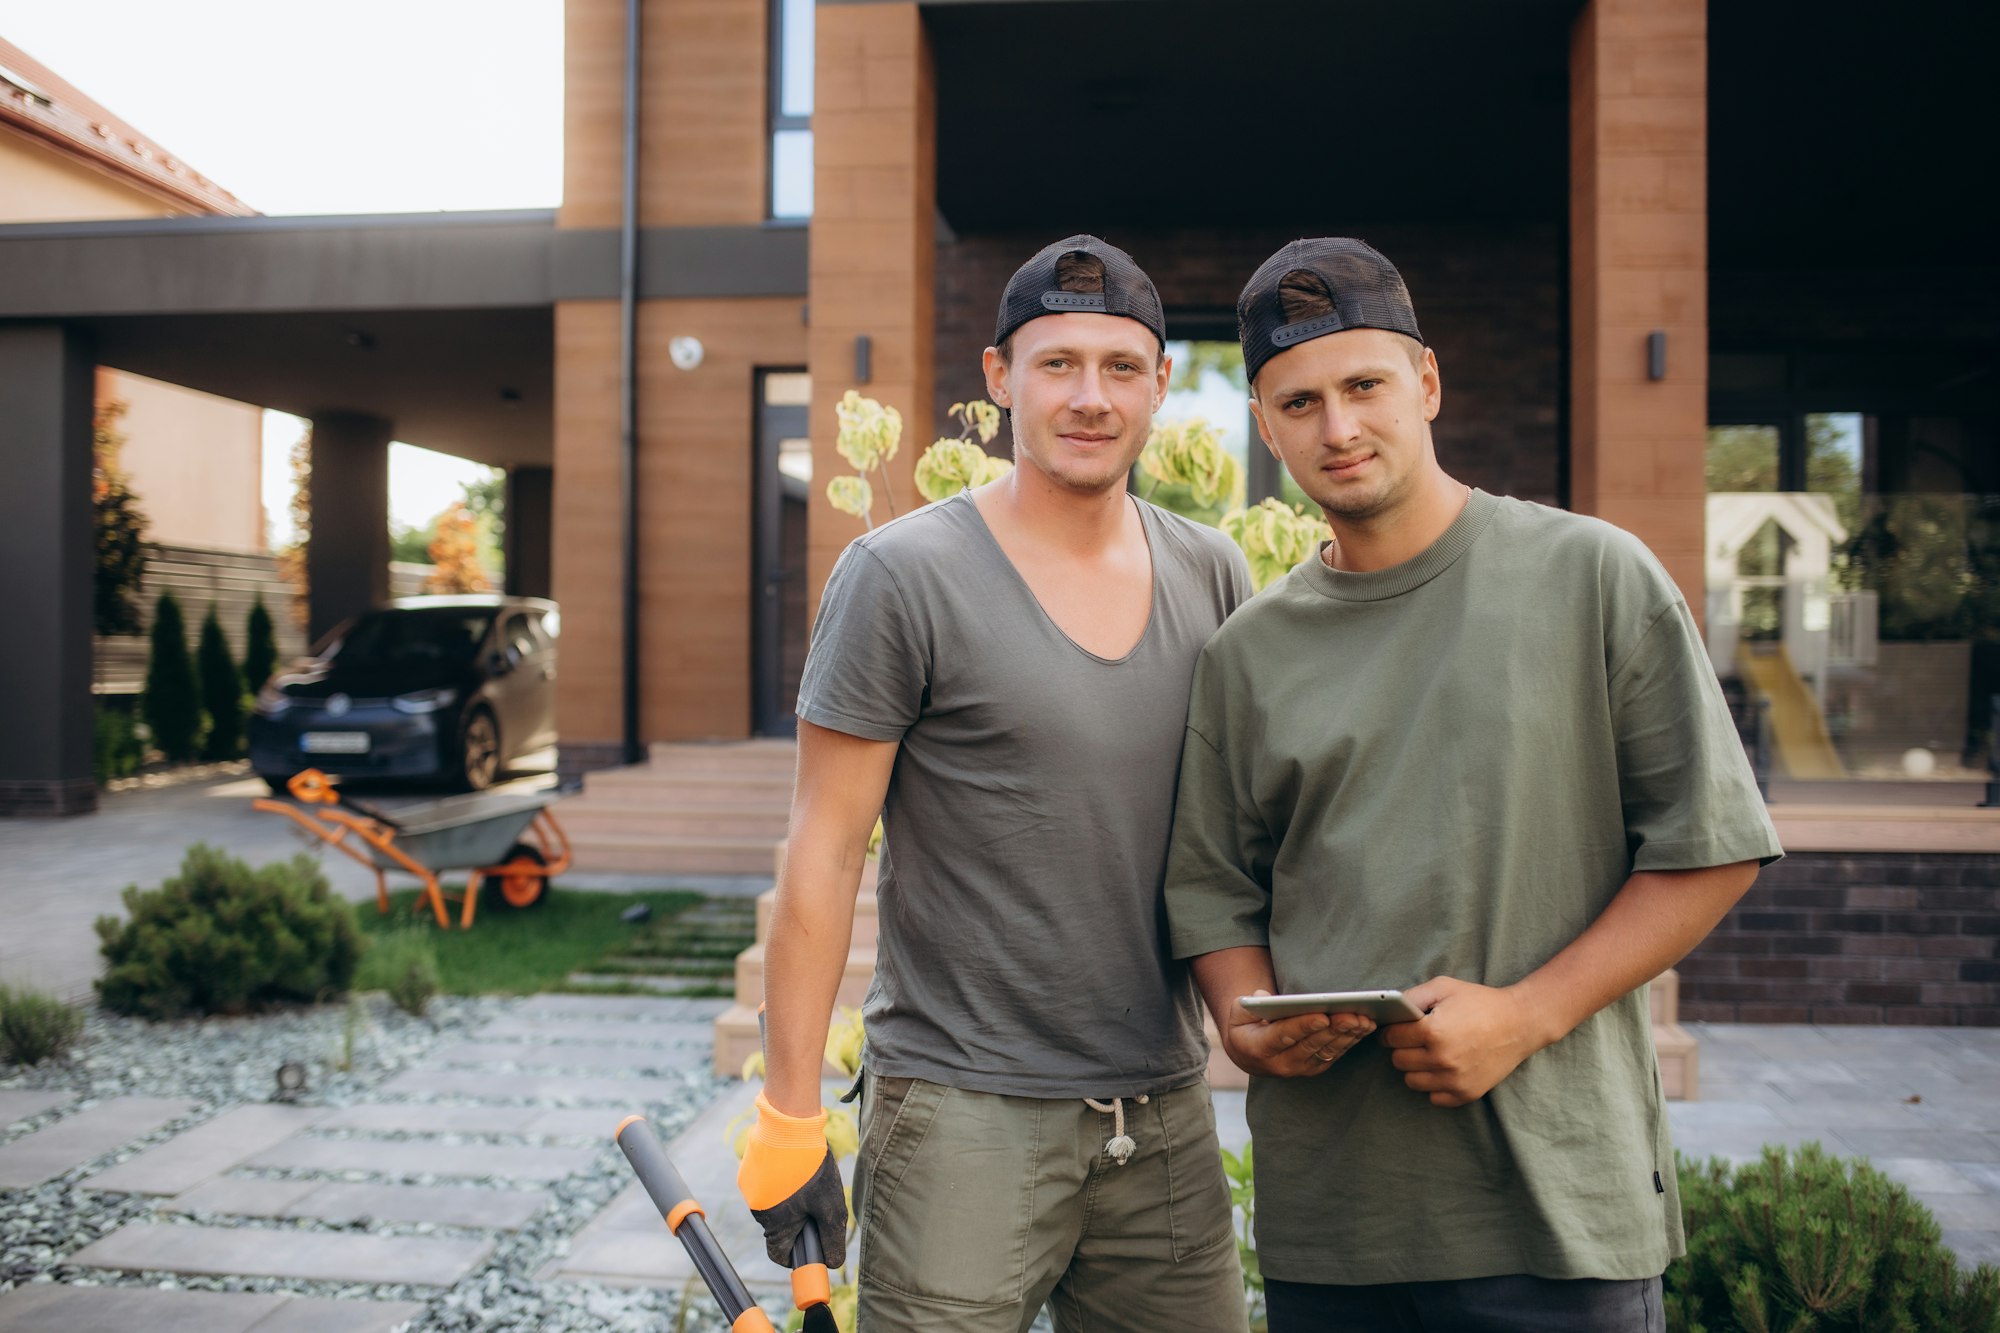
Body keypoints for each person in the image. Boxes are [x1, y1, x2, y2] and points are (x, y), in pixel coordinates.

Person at [1163, 237, 1782, 1332]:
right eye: (1298, 402)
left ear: (1428, 383)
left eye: (1365, 386)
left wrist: (1524, 1015)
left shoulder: (1591, 575)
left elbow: (1710, 846)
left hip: (1556, 1215)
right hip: (1337, 1220)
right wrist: (1239, 1014)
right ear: (1262, 424)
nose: (1337, 428)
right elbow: (1212, 887)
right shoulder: (1246, 651)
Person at [739, 234, 1255, 1332]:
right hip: (962, 1115)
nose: (1089, 396)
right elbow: (824, 850)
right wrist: (788, 1115)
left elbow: (1238, 835)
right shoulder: (901, 576)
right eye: (1055, 362)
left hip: (1160, 1108)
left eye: (1121, 366)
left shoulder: (1213, 571)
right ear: (997, 376)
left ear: (1160, 384)